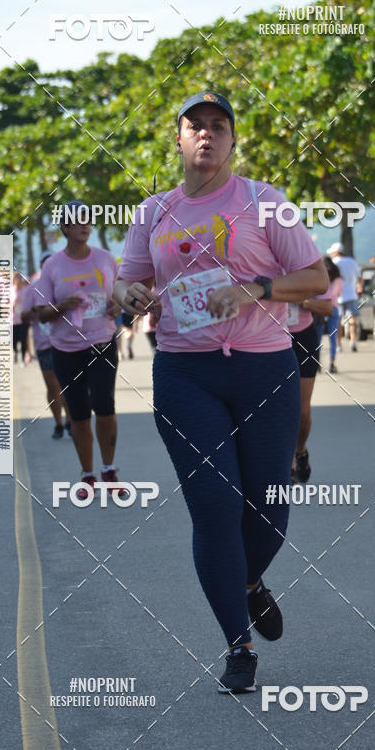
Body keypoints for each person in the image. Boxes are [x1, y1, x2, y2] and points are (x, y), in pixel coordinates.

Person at [113, 91, 327, 695]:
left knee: (268, 509)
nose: (206, 134)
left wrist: (257, 288)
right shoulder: (153, 211)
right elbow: (124, 286)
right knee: (214, 509)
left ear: (233, 140)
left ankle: (250, 582)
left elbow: (316, 278)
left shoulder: (266, 202)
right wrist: (130, 297)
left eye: (218, 126)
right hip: (185, 374)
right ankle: (238, 644)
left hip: (264, 369)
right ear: (179, 139)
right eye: (195, 126)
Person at [36, 201, 124, 494]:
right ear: (64, 227)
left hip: (102, 342)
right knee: (79, 414)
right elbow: (42, 313)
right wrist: (62, 306)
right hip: (66, 349)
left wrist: (117, 307)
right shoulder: (53, 265)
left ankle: (109, 469)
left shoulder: (105, 258)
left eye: (88, 220)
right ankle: (87, 474)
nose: (85, 225)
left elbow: (119, 295)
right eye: (77, 221)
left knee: (104, 405)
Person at [21, 252, 72, 439]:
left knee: (67, 385)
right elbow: (23, 317)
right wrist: (35, 310)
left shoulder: (67, 284)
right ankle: (58, 422)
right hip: (45, 344)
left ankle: (70, 422)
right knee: (52, 386)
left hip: (67, 342)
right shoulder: (33, 289)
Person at [287, 291, 333, 483]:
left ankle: (301, 450)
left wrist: (301, 300)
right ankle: (288, 463)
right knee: (281, 408)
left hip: (302, 338)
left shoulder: (303, 273)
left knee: (302, 411)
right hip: (267, 339)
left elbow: (328, 308)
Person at [329, 242, 362, 352]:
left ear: (336, 252)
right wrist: (359, 288)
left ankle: (339, 344)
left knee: (337, 321)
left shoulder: (334, 262)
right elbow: (360, 277)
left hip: (337, 296)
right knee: (353, 320)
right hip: (352, 294)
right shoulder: (352, 261)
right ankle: (353, 341)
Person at [315, 256, 343, 373]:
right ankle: (332, 363)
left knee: (318, 338)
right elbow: (335, 294)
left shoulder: (319, 277)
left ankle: (317, 363)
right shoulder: (338, 280)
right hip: (333, 308)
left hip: (319, 308)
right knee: (333, 337)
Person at [12, 272, 31, 365]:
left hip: (24, 318)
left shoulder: (26, 290)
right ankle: (15, 351)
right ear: (13, 280)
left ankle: (23, 359)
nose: (19, 280)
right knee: (14, 340)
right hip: (13, 319)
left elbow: (30, 301)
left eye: (20, 278)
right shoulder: (10, 291)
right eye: (17, 278)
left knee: (23, 339)